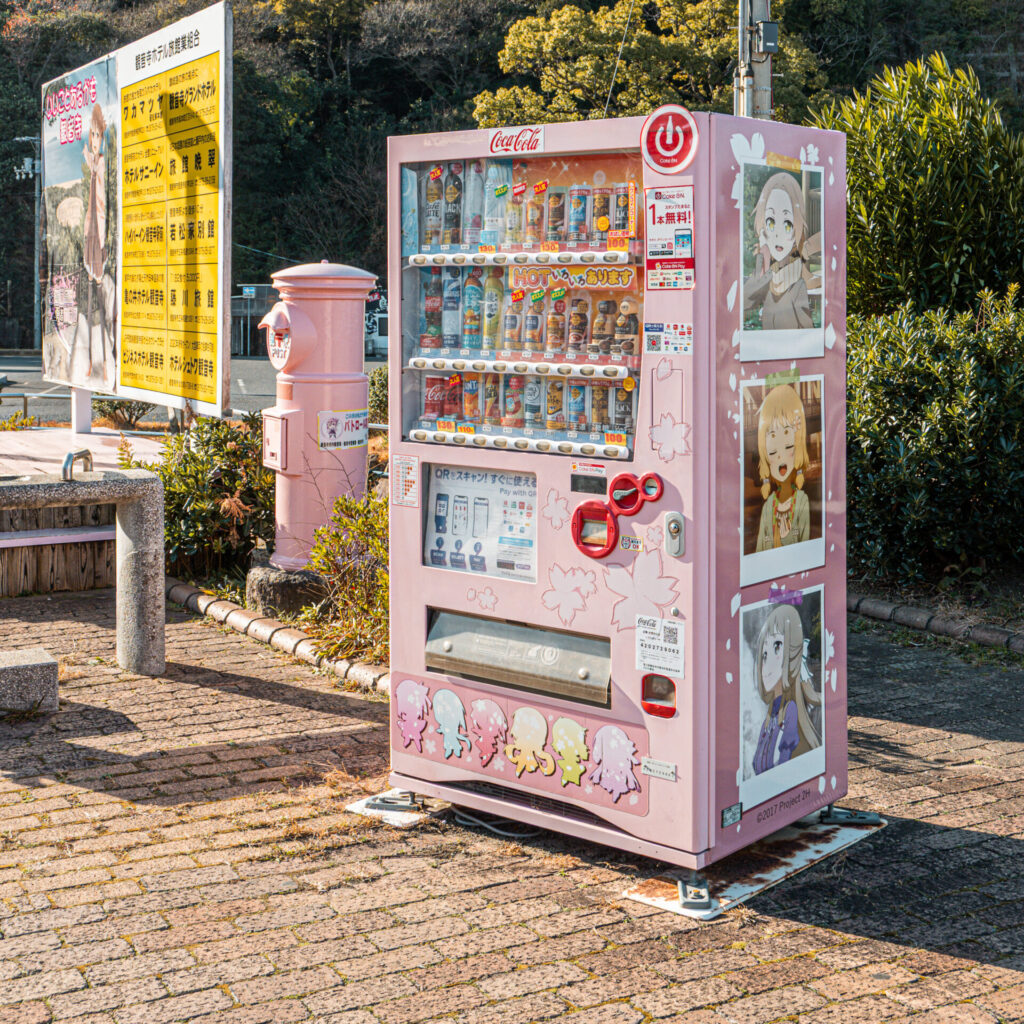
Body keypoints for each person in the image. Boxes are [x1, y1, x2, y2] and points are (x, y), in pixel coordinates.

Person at [744, 172, 820, 330]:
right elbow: (740, 308)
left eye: (787, 225)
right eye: (770, 222)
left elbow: (808, 332)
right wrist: (764, 252)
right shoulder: (767, 279)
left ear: (796, 228)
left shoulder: (797, 285)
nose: (777, 234)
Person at [752, 603, 821, 775]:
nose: (767, 663)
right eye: (764, 654)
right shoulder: (769, 718)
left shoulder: (789, 710)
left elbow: (783, 762)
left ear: (793, 654)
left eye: (777, 647)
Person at [755, 383, 810, 551]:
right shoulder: (768, 507)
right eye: (772, 451)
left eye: (788, 447)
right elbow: (759, 551)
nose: (780, 457)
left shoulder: (802, 501)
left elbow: (805, 549)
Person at [81, 102, 108, 377]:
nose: (95, 139)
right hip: (89, 233)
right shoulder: (92, 162)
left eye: (98, 134)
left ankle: (103, 362)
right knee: (89, 301)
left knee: (100, 301)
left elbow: (102, 205)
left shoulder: (101, 164)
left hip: (99, 235)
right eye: (92, 134)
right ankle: (90, 362)